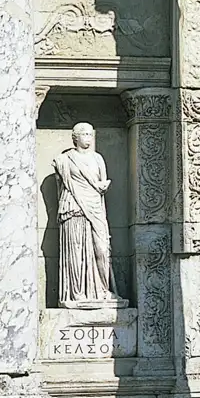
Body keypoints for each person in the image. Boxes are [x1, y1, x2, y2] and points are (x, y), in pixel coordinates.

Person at [53, 122, 124, 308]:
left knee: (101, 248)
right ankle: (76, 293)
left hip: (95, 208)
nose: (88, 138)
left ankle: (102, 289)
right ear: (75, 137)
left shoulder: (97, 158)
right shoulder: (64, 159)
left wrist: (102, 186)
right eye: (84, 134)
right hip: (73, 208)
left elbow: (101, 185)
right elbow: (59, 184)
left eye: (90, 134)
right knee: (75, 252)